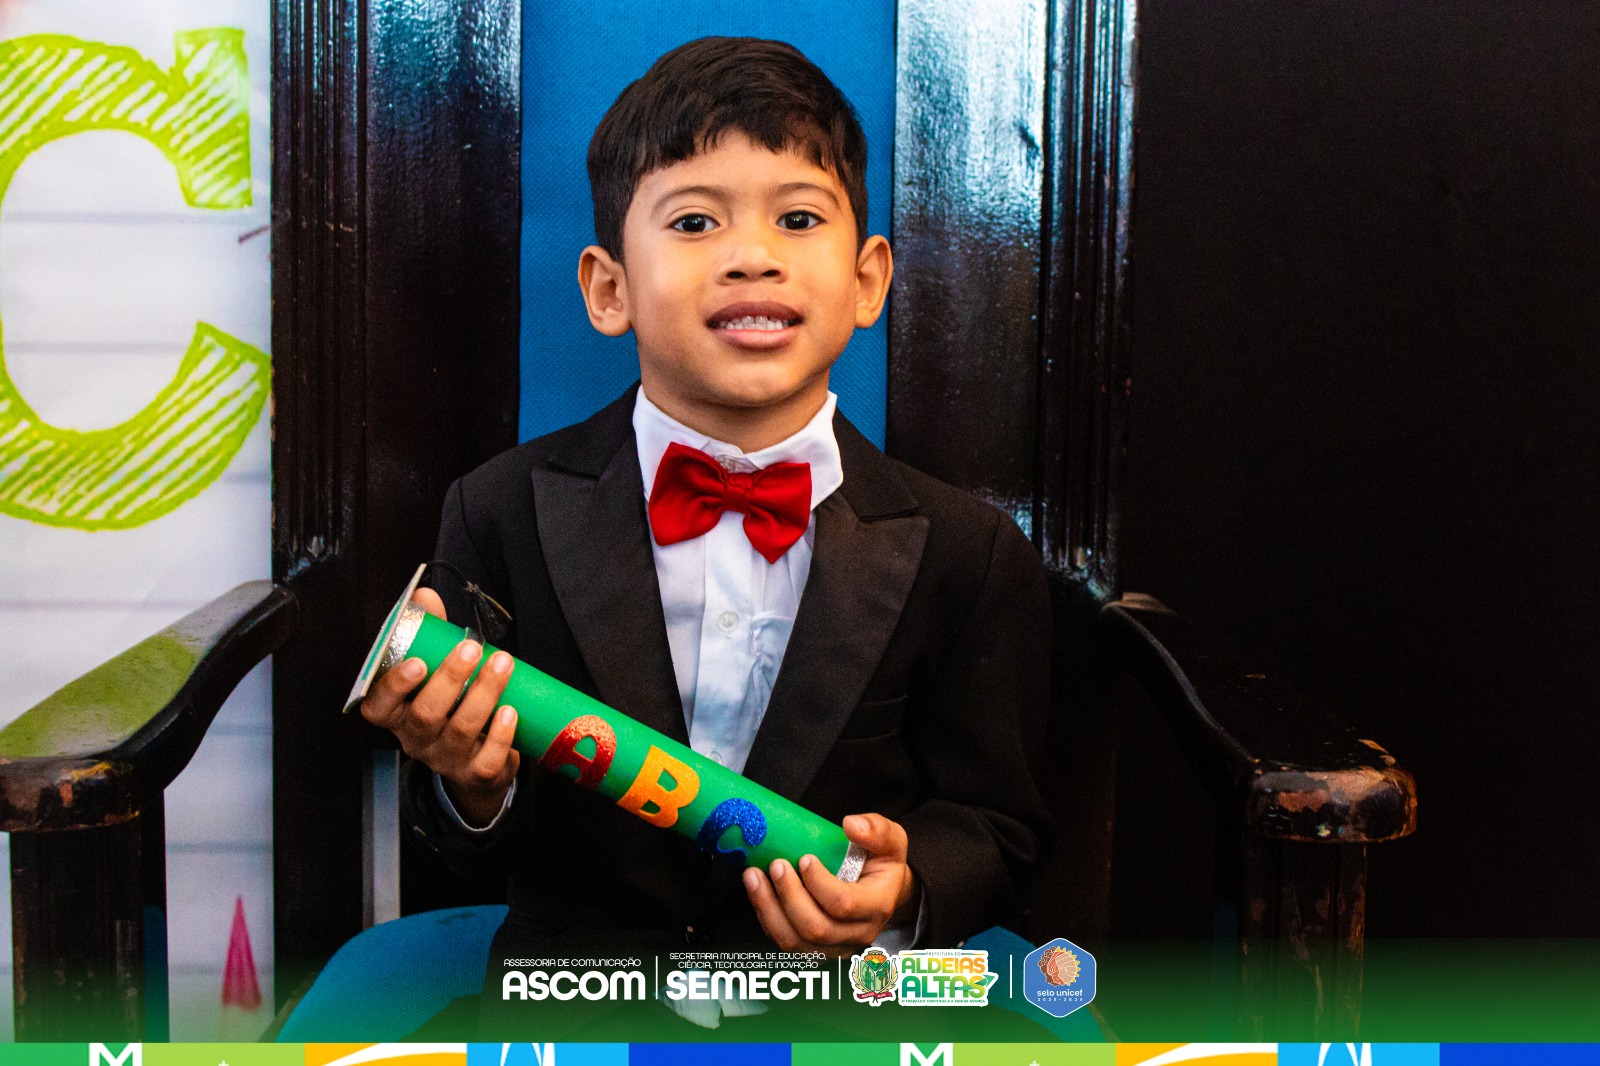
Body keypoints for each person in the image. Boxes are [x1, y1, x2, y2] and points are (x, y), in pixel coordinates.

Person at [358, 35, 1052, 1036]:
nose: (752, 254)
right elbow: (463, 842)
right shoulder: (498, 509)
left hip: (845, 1017)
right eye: (694, 221)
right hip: (576, 1009)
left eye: (798, 218)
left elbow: (999, 826)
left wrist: (904, 893)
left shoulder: (966, 550)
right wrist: (470, 782)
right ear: (609, 289)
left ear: (867, 280)